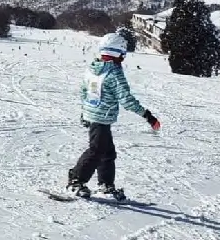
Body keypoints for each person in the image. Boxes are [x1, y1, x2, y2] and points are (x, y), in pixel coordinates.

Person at [66, 33, 160, 201]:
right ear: (119, 53)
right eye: (123, 53)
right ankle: (76, 179)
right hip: (101, 118)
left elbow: (84, 91)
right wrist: (147, 115)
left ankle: (106, 185)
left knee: (107, 152)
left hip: (94, 115)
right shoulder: (114, 73)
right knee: (97, 150)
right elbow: (126, 99)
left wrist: (85, 113)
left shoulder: (93, 67)